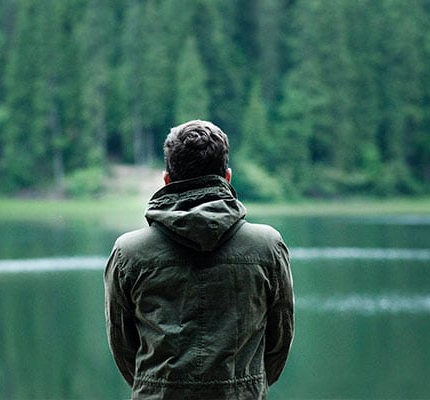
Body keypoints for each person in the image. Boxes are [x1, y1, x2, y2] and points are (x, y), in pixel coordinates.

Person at [104, 119, 294, 399]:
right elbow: (279, 341)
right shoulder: (267, 246)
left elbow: (123, 346)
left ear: (167, 180)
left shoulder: (128, 253)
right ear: (227, 177)